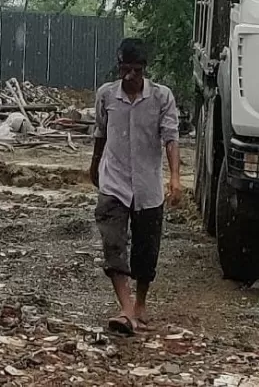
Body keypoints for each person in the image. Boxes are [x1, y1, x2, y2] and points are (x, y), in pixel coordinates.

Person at [90, 38, 182, 336]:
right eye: (125, 69)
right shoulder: (106, 96)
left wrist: (176, 178)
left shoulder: (160, 97)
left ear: (144, 69)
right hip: (113, 181)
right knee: (113, 244)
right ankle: (126, 308)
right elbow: (101, 133)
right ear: (119, 68)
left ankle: (140, 303)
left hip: (147, 186)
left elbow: (170, 138)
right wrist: (93, 167)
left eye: (136, 70)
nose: (130, 76)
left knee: (146, 249)